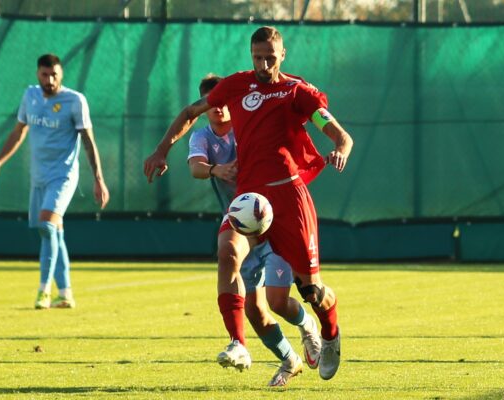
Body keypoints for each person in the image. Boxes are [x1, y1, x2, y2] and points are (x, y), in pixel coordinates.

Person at [144, 26, 353, 381]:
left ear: (282, 55)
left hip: (289, 198)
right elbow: (192, 110)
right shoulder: (237, 85)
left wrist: (340, 149)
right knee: (226, 249)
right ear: (251, 55)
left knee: (313, 293)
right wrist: (163, 148)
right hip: (250, 199)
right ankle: (237, 342)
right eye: (258, 57)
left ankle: (330, 334)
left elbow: (337, 133)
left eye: (271, 57)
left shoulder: (295, 91)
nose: (264, 63)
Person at [186, 74, 321, 386]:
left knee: (277, 302)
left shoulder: (251, 127)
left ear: (233, 103)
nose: (218, 109)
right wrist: (213, 169)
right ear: (205, 107)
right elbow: (194, 167)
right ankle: (289, 359)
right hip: (242, 228)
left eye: (222, 103)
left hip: (273, 222)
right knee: (255, 312)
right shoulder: (202, 138)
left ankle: (307, 326)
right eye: (212, 105)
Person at [0, 54, 109, 310]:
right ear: (37, 74)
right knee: (52, 231)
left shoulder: (75, 100)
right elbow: (18, 132)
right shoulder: (30, 97)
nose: (50, 79)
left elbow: (88, 141)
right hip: (39, 177)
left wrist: (98, 178)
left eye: (54, 74)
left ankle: (43, 290)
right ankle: (65, 293)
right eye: (45, 74)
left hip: (63, 176)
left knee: (46, 224)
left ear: (61, 74)